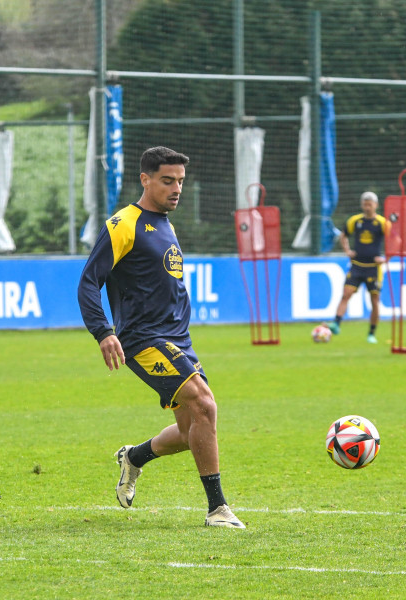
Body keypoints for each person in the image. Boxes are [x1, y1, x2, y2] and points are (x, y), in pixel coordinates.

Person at [77, 146, 244, 529]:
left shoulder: (164, 223)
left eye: (181, 181)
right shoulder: (124, 224)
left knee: (190, 432)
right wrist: (104, 332)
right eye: (168, 180)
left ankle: (134, 457)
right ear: (145, 179)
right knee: (205, 405)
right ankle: (218, 509)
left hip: (177, 338)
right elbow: (89, 281)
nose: (176, 189)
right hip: (144, 340)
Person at [327, 191, 390, 344]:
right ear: (362, 205)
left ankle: (371, 333)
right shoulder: (355, 221)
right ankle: (336, 323)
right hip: (356, 266)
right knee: (346, 294)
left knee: (374, 300)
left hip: (373, 268)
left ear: (376, 205)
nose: (367, 207)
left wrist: (385, 258)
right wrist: (347, 251)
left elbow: (395, 240)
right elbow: (343, 235)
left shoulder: (382, 223)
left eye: (370, 204)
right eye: (365, 204)